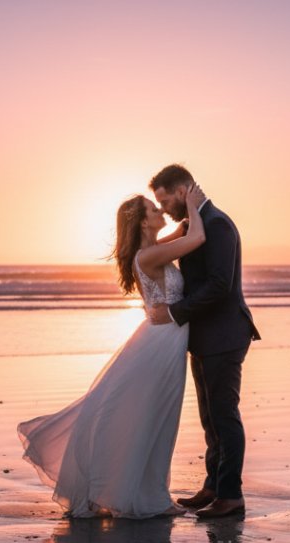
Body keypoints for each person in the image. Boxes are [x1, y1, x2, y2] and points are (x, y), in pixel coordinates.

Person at [17, 183, 209, 518]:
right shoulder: (149, 255)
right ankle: (138, 495)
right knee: (151, 417)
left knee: (155, 419)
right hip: (160, 345)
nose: (160, 211)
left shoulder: (151, 249)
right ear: (143, 223)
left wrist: (182, 222)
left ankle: (142, 492)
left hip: (163, 341)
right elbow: (195, 241)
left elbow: (178, 237)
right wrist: (194, 204)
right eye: (154, 209)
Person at [147, 164, 260, 519]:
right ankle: (213, 486)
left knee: (225, 416)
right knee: (210, 419)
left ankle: (231, 495)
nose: (163, 209)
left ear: (182, 190)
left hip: (225, 336)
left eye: (165, 200)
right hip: (204, 337)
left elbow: (219, 286)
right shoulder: (195, 223)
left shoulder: (218, 225)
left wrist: (175, 312)